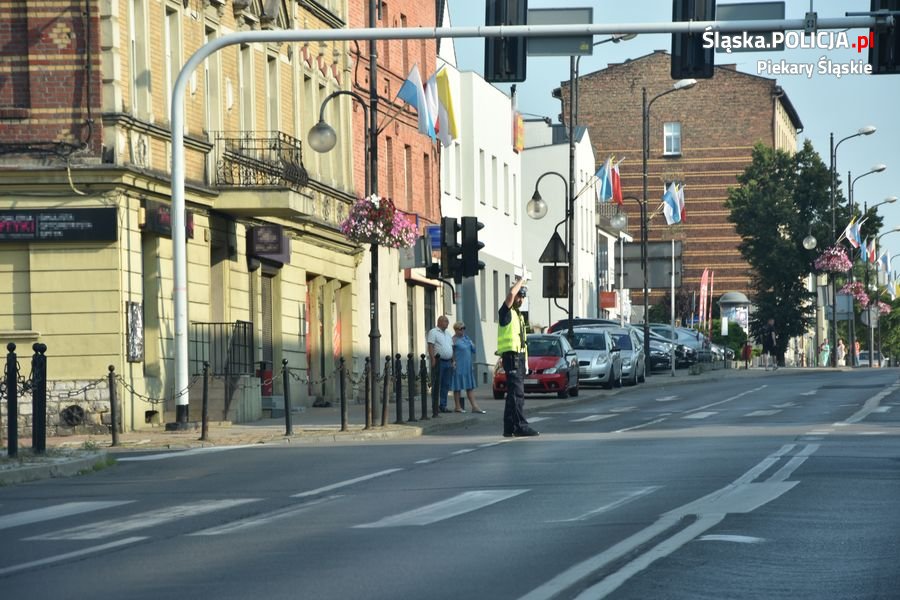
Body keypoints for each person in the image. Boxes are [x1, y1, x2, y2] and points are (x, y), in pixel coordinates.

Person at [497, 278, 538, 437]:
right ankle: (520, 426)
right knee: (517, 394)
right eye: (518, 296)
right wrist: (522, 280)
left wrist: (526, 362)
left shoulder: (518, 315)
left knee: (512, 394)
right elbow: (510, 294)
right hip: (511, 356)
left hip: (519, 357)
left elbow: (522, 341)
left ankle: (509, 427)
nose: (520, 299)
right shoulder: (505, 312)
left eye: (522, 297)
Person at [450, 322, 485, 414]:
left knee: (470, 387)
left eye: (464, 328)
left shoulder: (467, 338)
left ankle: (475, 406)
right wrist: (453, 362)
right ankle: (457, 406)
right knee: (457, 387)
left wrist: (471, 343)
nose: (463, 330)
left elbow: (474, 350)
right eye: (461, 329)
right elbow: (451, 352)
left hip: (468, 366)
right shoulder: (453, 340)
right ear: (456, 330)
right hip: (458, 366)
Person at [427, 315, 454, 414]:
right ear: (439, 322)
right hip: (439, 361)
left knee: (445, 385)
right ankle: (435, 405)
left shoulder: (448, 333)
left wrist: (453, 360)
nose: (447, 323)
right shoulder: (433, 332)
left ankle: (443, 405)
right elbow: (430, 346)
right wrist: (432, 359)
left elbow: (451, 348)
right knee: (436, 384)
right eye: (445, 321)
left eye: (447, 321)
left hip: (448, 362)